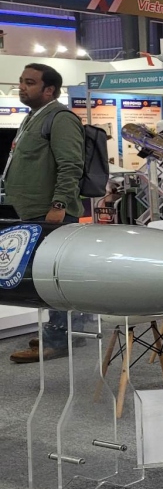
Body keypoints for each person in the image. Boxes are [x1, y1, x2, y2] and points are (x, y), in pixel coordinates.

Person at [4, 64, 84, 364]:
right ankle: (67, 332)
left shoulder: (60, 119)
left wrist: (58, 206)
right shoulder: (34, 117)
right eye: (21, 81)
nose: (22, 87)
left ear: (49, 90)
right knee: (49, 275)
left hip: (48, 213)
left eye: (29, 82)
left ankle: (57, 341)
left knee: (52, 278)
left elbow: (71, 166)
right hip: (32, 211)